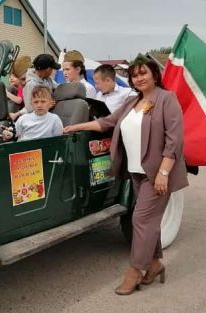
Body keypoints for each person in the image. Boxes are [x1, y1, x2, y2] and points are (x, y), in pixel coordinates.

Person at [64, 57, 188, 296]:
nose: (139, 78)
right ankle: (154, 265)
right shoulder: (133, 101)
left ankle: (135, 271)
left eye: (144, 73)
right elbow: (107, 123)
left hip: (157, 174)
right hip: (136, 173)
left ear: (154, 74)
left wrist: (163, 172)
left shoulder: (166, 99)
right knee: (148, 222)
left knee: (140, 220)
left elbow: (174, 140)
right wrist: (75, 127)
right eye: (134, 75)